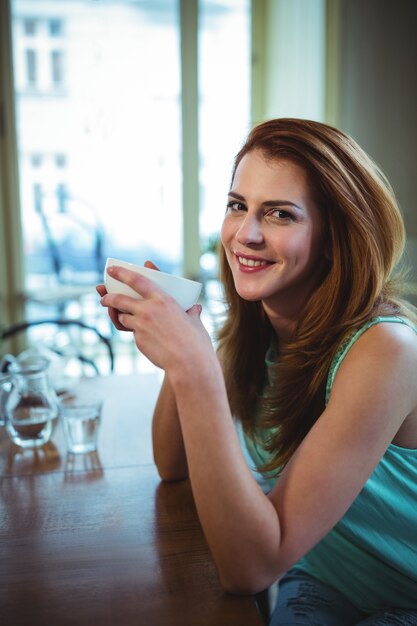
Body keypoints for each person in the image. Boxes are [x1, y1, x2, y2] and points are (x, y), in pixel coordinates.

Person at [97, 118, 417, 625]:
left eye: (279, 214)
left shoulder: (387, 350)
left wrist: (194, 365)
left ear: (335, 236)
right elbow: (171, 464)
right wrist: (184, 341)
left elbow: (249, 569)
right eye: (237, 205)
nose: (245, 234)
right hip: (321, 576)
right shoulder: (251, 329)